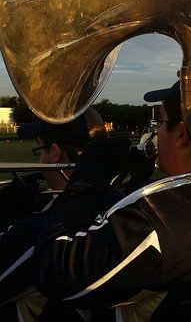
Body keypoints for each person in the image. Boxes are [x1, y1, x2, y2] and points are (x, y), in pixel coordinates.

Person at [32, 81, 191, 321]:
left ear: (181, 133)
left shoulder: (165, 213)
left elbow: (57, 270)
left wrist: (88, 176)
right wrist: (132, 183)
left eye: (160, 123)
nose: (156, 132)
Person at [0, 107, 127, 321]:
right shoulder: (122, 204)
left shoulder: (40, 229)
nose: (40, 160)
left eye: (40, 150)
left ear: (56, 152)